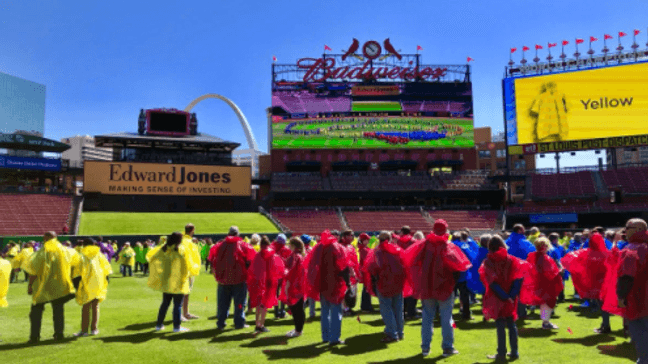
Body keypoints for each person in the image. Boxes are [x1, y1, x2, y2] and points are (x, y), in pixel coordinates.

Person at [403, 219, 472, 357]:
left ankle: (425, 348)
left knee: (427, 317)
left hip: (428, 287)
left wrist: (420, 279)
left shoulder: (423, 245)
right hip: (444, 287)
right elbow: (459, 267)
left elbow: (411, 261)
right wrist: (453, 282)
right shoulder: (448, 246)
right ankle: (447, 347)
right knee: (447, 319)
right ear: (446, 230)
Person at [602, 218, 648, 363]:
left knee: (641, 336)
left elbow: (626, 276)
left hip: (639, 301)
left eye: (627, 228)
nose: (624, 231)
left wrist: (621, 297)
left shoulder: (631, 250)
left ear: (636, 230)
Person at [22, 232, 79, 344]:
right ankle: (59, 334)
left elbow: (33, 272)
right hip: (59, 286)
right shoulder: (67, 251)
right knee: (58, 311)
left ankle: (34, 336)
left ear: (46, 238)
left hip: (41, 287)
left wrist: (30, 286)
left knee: (36, 312)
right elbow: (76, 266)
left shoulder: (40, 253)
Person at [480, 235, 528, 361]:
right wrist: (511, 296)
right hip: (509, 296)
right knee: (511, 324)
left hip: (498, 296)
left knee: (500, 325)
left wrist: (505, 296)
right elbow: (518, 278)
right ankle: (514, 352)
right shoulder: (511, 259)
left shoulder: (488, 262)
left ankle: (501, 353)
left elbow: (492, 282)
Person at [304, 230, 352, 346]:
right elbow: (343, 266)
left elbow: (311, 265)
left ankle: (325, 336)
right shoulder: (337, 247)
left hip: (322, 283)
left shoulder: (319, 247)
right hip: (335, 283)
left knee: (325, 311)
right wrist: (348, 283)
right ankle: (334, 338)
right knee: (335, 311)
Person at [363, 231, 411, 343]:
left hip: (384, 284)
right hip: (397, 284)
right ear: (390, 239)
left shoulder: (377, 252)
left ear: (379, 239)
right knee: (398, 309)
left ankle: (392, 333)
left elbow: (371, 267)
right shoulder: (397, 250)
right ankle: (400, 332)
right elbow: (405, 265)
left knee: (387, 309)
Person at [561, 232, 611, 333]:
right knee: (604, 305)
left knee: (601, 305)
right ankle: (605, 325)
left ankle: (606, 326)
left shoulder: (586, 253)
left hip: (594, 284)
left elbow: (570, 258)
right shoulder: (607, 253)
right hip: (605, 283)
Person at [209, 226, 256, 330]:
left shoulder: (219, 245)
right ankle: (239, 323)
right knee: (239, 303)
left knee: (223, 303)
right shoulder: (244, 245)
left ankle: (221, 323)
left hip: (223, 279)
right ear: (238, 234)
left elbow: (211, 258)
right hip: (239, 279)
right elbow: (252, 259)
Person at [147, 232, 191, 333]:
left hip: (167, 281)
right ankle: (176, 327)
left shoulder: (164, 248)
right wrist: (186, 276)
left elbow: (153, 258)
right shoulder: (181, 249)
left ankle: (159, 325)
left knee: (165, 304)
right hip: (178, 281)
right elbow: (185, 265)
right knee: (177, 305)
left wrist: (159, 271)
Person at [72, 238, 112, 337]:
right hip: (98, 283)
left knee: (86, 307)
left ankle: (84, 330)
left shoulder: (81, 256)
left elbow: (76, 273)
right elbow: (107, 270)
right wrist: (105, 282)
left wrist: (76, 286)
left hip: (86, 283)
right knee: (95, 306)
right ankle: (94, 329)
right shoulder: (100, 255)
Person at [520, 237, 563, 329]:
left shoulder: (531, 256)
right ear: (545, 246)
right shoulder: (545, 258)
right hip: (545, 285)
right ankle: (546, 322)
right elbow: (550, 273)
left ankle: (545, 322)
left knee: (543, 303)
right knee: (546, 303)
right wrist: (560, 271)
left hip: (536, 284)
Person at [249, 236, 285, 333]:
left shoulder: (257, 255)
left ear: (260, 245)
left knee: (258, 305)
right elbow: (279, 268)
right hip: (269, 282)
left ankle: (257, 324)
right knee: (264, 305)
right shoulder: (273, 255)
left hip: (259, 283)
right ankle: (262, 324)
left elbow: (252, 270)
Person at [506, 224, 535, 319]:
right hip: (522, 271)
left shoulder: (506, 242)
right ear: (519, 230)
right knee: (521, 292)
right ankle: (521, 313)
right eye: (523, 229)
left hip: (509, 271)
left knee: (511, 292)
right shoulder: (525, 243)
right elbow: (533, 254)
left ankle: (510, 312)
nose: (525, 231)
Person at [281, 237, 307, 337]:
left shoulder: (295, 256)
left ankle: (298, 330)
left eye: (289, 244)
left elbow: (290, 272)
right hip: (300, 285)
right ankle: (298, 329)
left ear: (293, 245)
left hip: (295, 286)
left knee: (296, 309)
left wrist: (287, 286)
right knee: (298, 309)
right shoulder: (300, 255)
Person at [452, 232, 477, 321]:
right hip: (463, 274)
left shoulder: (449, 245)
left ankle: (445, 314)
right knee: (464, 295)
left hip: (451, 275)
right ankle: (466, 314)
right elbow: (472, 257)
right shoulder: (464, 245)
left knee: (448, 296)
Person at [181, 224, 202, 321]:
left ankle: (185, 313)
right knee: (183, 293)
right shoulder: (187, 242)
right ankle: (182, 314)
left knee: (186, 293)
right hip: (187, 270)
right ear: (192, 230)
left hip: (184, 270)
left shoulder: (183, 240)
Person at [271, 233, 292, 319]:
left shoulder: (271, 248)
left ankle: (276, 312)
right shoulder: (286, 250)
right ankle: (282, 311)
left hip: (274, 274)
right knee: (283, 293)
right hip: (283, 274)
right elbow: (289, 262)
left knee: (275, 293)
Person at [340, 229, 360, 316]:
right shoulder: (342, 247)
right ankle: (345, 309)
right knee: (345, 292)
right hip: (346, 273)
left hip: (353, 272)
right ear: (345, 236)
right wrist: (352, 271)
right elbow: (346, 261)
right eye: (350, 235)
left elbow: (355, 260)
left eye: (353, 235)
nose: (352, 237)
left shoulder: (351, 246)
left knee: (351, 293)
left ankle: (348, 308)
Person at [357, 233, 374, 313]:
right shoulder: (363, 249)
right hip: (366, 270)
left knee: (366, 288)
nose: (368, 241)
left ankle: (366, 305)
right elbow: (367, 260)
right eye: (367, 239)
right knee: (367, 288)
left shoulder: (364, 248)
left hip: (366, 270)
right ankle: (366, 306)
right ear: (363, 240)